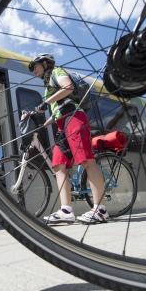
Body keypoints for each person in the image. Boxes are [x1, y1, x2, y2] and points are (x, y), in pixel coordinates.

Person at [28, 53, 109, 224]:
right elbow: (56, 110)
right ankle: (66, 210)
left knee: (86, 160)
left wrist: (46, 102)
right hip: (61, 123)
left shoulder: (57, 71)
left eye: (35, 66)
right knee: (58, 165)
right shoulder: (47, 87)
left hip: (74, 118)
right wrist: (38, 119)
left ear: (45, 63)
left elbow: (68, 87)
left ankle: (100, 210)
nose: (33, 71)